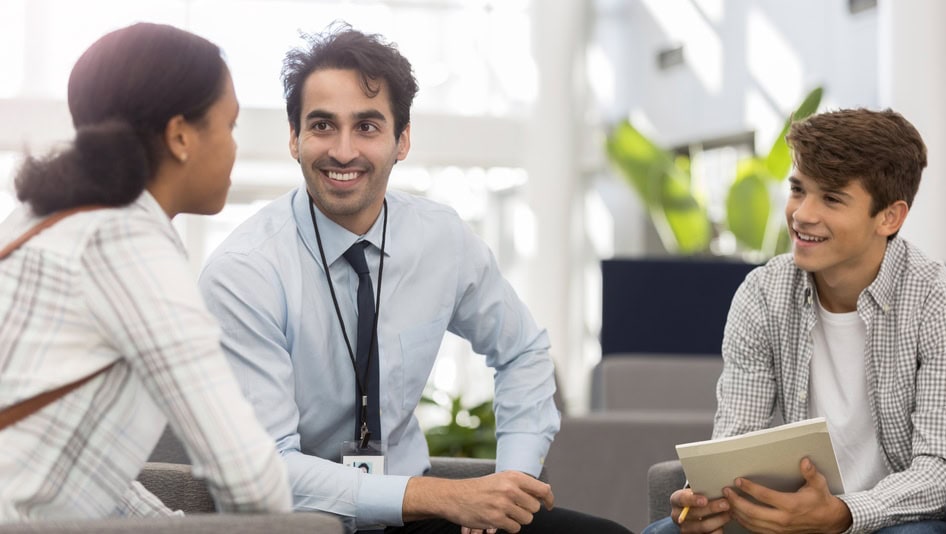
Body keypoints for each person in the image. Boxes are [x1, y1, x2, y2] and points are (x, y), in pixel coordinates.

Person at [199, 24, 632, 534]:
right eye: (322, 126)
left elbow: (523, 352)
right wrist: (440, 496)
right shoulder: (245, 272)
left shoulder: (441, 239)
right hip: (302, 523)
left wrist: (509, 487)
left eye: (366, 126)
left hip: (422, 522)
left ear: (401, 140)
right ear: (294, 138)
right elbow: (266, 469)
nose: (342, 151)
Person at [0, 23, 291, 521]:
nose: (234, 147)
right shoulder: (123, 242)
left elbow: (70, 467)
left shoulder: (44, 220)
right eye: (231, 125)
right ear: (180, 135)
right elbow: (252, 480)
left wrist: (169, 526)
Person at [644, 109, 946, 534]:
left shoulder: (937, 301)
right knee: (664, 531)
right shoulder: (763, 294)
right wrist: (706, 496)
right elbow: (735, 439)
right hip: (782, 517)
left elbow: (939, 471)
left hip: (893, 521)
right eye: (797, 190)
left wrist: (843, 514)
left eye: (832, 198)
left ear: (889, 217)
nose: (802, 214)